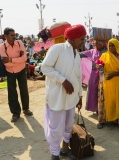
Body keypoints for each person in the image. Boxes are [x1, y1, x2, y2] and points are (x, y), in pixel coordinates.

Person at [41, 24, 86, 160]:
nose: (84, 42)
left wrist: (79, 96)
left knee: (68, 125)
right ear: (72, 39)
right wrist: (63, 80)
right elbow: (45, 68)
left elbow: (78, 77)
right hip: (57, 97)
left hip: (71, 98)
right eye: (82, 39)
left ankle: (65, 149)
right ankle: (55, 154)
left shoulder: (76, 54)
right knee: (56, 128)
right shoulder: (57, 49)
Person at [0, 27, 33, 122]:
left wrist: (10, 59)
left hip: (21, 70)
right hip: (10, 72)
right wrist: (18, 60)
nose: (15, 37)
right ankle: (15, 113)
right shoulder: (2, 47)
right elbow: (5, 62)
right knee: (12, 93)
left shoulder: (19, 43)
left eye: (15, 35)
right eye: (12, 35)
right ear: (6, 36)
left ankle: (26, 109)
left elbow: (24, 58)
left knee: (24, 91)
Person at [96, 38, 119, 129]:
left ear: (117, 46)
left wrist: (114, 74)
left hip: (117, 82)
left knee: (115, 100)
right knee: (104, 100)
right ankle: (102, 120)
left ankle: (116, 119)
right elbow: (99, 67)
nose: (111, 47)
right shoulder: (104, 55)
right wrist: (99, 67)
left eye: (113, 45)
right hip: (105, 81)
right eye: (109, 45)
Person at [80, 40, 107, 113]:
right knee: (93, 90)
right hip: (94, 74)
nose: (96, 44)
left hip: (104, 74)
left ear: (102, 44)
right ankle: (95, 108)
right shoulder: (92, 51)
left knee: (102, 90)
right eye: (96, 42)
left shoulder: (107, 51)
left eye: (98, 43)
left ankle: (103, 107)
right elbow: (81, 54)